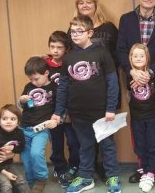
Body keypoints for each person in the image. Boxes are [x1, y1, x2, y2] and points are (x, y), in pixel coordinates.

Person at [51, 15, 121, 193]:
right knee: (85, 146)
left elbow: (113, 83)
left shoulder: (102, 53)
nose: (74, 35)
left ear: (90, 33)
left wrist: (111, 108)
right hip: (78, 113)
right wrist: (58, 112)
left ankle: (112, 176)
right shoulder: (68, 58)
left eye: (79, 31)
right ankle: (86, 177)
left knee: (107, 146)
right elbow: (63, 87)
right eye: (72, 31)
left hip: (102, 112)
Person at [116, 0, 155, 183]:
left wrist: (148, 72)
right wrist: (132, 72)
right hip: (133, 82)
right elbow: (121, 50)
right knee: (138, 126)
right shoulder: (126, 20)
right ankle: (143, 166)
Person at [75, 0, 120, 181]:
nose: (85, 5)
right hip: (84, 90)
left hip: (106, 86)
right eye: (81, 3)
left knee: (105, 132)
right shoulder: (75, 29)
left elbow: (118, 53)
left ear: (95, 5)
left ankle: (107, 169)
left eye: (88, 2)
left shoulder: (109, 28)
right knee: (86, 135)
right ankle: (89, 168)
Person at [44, 31, 80, 188]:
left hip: (70, 112)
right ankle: (60, 168)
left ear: (66, 49)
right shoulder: (44, 65)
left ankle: (73, 167)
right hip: (52, 113)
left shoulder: (71, 63)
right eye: (52, 47)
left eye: (59, 47)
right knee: (56, 144)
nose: (56, 50)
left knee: (73, 142)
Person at [18, 56, 58, 192]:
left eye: (36, 79)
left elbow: (59, 107)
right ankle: (31, 182)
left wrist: (56, 119)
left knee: (36, 153)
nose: (33, 82)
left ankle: (41, 178)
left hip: (41, 129)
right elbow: (23, 105)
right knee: (26, 158)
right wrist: (22, 100)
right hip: (24, 127)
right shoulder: (28, 87)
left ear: (46, 73)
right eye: (31, 79)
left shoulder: (54, 87)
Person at [128, 43, 155, 193]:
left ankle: (151, 173)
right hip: (137, 118)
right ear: (130, 58)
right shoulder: (129, 76)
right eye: (135, 56)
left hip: (153, 116)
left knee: (153, 145)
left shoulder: (154, 76)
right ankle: (144, 169)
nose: (138, 58)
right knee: (140, 145)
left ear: (147, 57)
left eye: (142, 55)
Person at [0, 104, 28, 193]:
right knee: (6, 184)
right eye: (4, 119)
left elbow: (21, 148)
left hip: (9, 164)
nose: (8, 122)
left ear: (18, 122)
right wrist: (5, 173)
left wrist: (13, 147)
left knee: (21, 181)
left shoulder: (19, 133)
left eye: (13, 119)